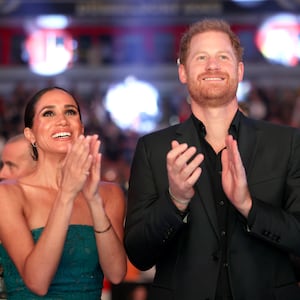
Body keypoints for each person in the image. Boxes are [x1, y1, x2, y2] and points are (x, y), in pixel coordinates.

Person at [124, 18, 300, 300]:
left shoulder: (287, 143)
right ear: (183, 71)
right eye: (201, 57)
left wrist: (248, 206)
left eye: (222, 57)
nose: (212, 65)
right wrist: (176, 201)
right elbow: (138, 254)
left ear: (239, 69)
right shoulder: (152, 149)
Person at [0, 86, 127, 299]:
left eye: (70, 112)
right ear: (30, 134)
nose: (62, 120)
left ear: (81, 127)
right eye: (48, 113)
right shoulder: (8, 194)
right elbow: (37, 282)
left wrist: (94, 201)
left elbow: (116, 274)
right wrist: (67, 194)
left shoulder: (109, 194)